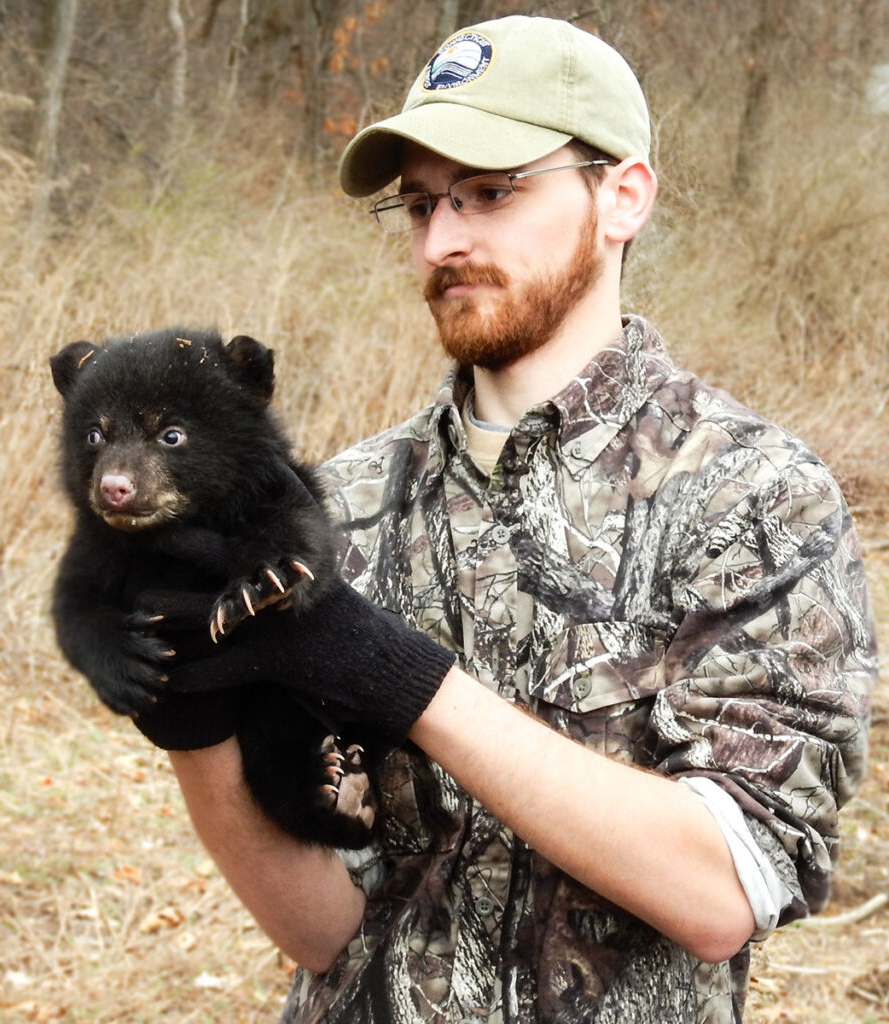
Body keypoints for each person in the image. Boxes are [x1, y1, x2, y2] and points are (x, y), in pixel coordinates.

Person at [132, 15, 877, 1024]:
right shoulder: (329, 508)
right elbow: (322, 929)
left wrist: (398, 676)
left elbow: (721, 893)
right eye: (421, 205)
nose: (442, 241)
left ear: (622, 196)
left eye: (490, 192)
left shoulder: (754, 497)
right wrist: (194, 721)